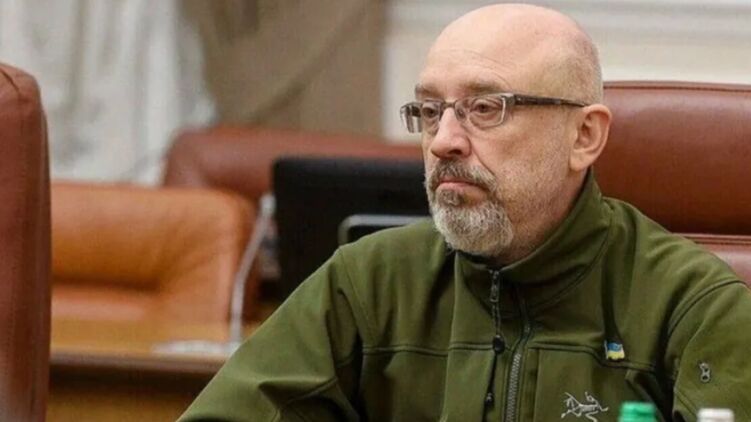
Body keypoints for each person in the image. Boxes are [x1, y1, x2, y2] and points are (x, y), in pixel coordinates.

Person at [180, 4, 751, 421]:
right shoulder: (369, 282)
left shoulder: (695, 306)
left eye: (485, 108)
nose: (444, 141)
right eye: (430, 111)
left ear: (584, 136)